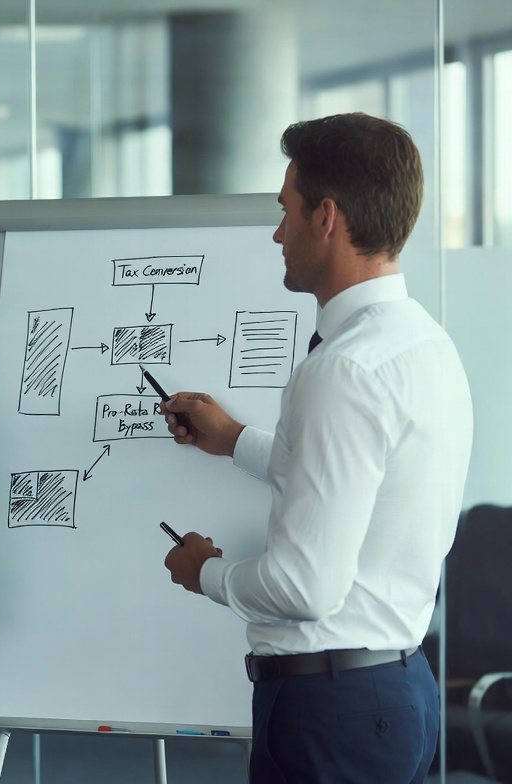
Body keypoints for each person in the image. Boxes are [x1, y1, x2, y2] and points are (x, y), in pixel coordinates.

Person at [161, 113, 472, 784]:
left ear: (326, 217)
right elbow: (360, 483)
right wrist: (237, 441)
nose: (278, 232)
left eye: (286, 210)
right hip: (394, 692)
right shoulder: (423, 343)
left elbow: (305, 586)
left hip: (329, 714)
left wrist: (204, 573)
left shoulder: (345, 369)